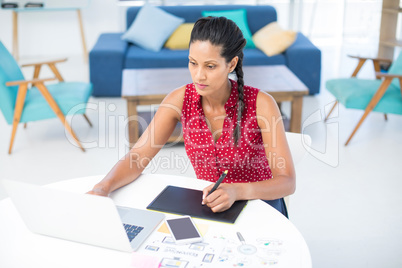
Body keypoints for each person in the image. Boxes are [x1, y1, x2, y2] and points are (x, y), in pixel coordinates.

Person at [88, 16, 295, 217]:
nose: (199, 75)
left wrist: (237, 191)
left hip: (261, 208)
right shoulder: (179, 100)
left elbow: (287, 182)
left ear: (231, 64)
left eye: (210, 66)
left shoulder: (261, 103)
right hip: (211, 208)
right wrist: (102, 188)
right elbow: (137, 157)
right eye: (193, 63)